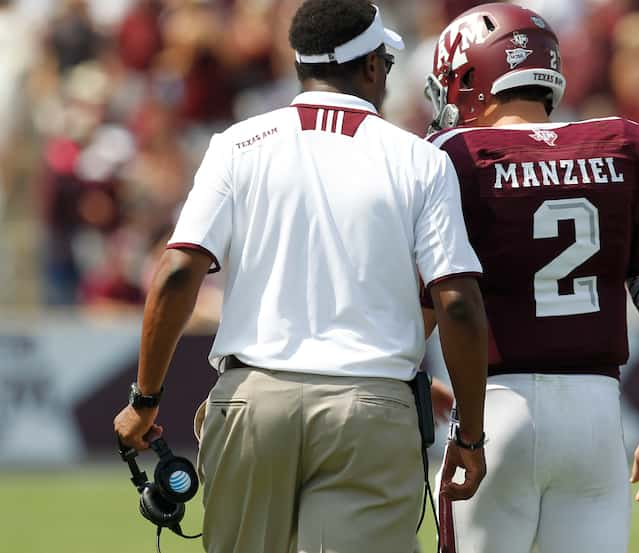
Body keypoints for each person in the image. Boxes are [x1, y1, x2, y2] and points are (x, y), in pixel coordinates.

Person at [113, 1, 490, 552]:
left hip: (252, 400)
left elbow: (176, 274)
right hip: (371, 406)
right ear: (368, 68)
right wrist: (471, 434)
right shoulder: (421, 160)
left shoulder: (235, 145)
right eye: (383, 61)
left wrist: (144, 398)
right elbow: (456, 303)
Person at [422, 4, 639, 553]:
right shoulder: (615, 150)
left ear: (470, 77)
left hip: (494, 409)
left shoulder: (453, 157)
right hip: (594, 419)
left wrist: (396, 373)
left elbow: (424, 306)